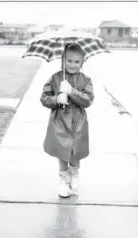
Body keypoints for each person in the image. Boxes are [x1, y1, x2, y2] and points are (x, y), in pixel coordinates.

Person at [40, 43, 94, 197]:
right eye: (69, 61)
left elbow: (88, 100)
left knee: (75, 150)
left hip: (78, 121)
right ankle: (63, 179)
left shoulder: (85, 80)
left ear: (82, 63)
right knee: (63, 151)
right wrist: (57, 98)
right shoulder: (55, 78)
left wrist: (72, 91)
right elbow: (44, 98)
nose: (72, 65)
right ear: (63, 60)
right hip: (60, 121)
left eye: (77, 62)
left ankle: (74, 172)